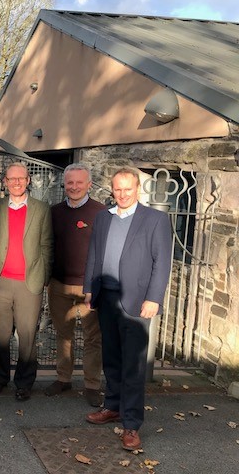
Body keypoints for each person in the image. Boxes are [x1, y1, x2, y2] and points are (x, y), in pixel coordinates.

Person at [83, 167, 172, 451]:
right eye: (118, 189)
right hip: (106, 297)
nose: (122, 194)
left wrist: (154, 298)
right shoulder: (103, 217)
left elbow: (162, 262)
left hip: (136, 301)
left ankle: (132, 424)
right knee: (111, 358)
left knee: (133, 366)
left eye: (128, 189)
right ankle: (113, 407)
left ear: (137, 190)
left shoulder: (155, 219)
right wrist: (89, 288)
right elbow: (94, 255)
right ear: (112, 190)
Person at [0, 162, 53, 401]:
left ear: (28, 181)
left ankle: (24, 383)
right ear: (5, 181)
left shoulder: (42, 209)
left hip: (29, 283)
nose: (16, 182)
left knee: (27, 336)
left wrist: (43, 277)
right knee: (0, 336)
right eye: (12, 179)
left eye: (21, 178)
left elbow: (47, 245)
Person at [45, 164, 106, 407]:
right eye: (70, 183)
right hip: (59, 284)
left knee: (93, 337)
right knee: (63, 334)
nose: (74, 187)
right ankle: (63, 377)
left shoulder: (101, 213)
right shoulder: (54, 212)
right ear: (64, 185)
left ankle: (92, 384)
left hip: (89, 286)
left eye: (79, 182)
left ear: (89, 184)